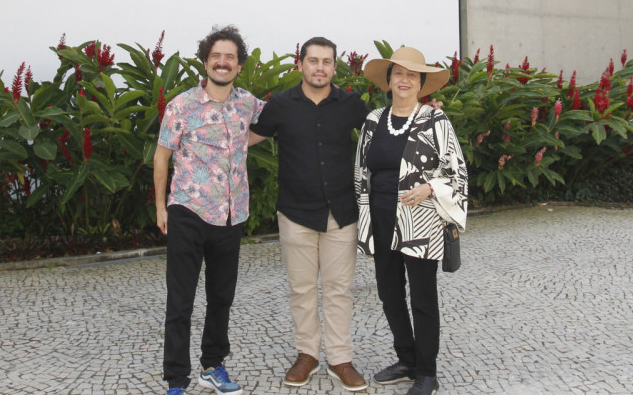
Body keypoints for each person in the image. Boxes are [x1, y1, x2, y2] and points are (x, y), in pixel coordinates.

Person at [248, 37, 369, 391]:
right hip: (295, 212)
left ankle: (340, 358)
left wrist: (426, 115)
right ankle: (307, 354)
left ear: (335, 66)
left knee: (338, 290)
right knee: (300, 290)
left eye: (326, 62)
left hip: (341, 212)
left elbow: (384, 134)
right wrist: (201, 136)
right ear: (300, 63)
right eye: (313, 60)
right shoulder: (281, 105)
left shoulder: (351, 104)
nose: (320, 68)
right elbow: (248, 138)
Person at [155, 25, 265, 395]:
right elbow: (162, 155)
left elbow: (280, 119)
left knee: (222, 297)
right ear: (205, 61)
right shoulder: (182, 105)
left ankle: (212, 365)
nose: (222, 62)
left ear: (238, 65)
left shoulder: (248, 103)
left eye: (230, 57)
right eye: (216, 56)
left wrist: (244, 142)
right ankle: (175, 379)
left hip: (231, 215)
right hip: (188, 211)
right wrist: (160, 207)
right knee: (180, 300)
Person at [355, 47, 468, 395]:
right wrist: (364, 228)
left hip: (421, 222)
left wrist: (431, 186)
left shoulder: (436, 121)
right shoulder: (374, 119)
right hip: (381, 218)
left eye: (412, 76)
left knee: (422, 297)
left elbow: (458, 174)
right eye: (398, 74)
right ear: (388, 81)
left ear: (421, 84)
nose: (404, 80)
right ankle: (406, 359)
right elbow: (361, 172)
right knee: (389, 295)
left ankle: (428, 371)